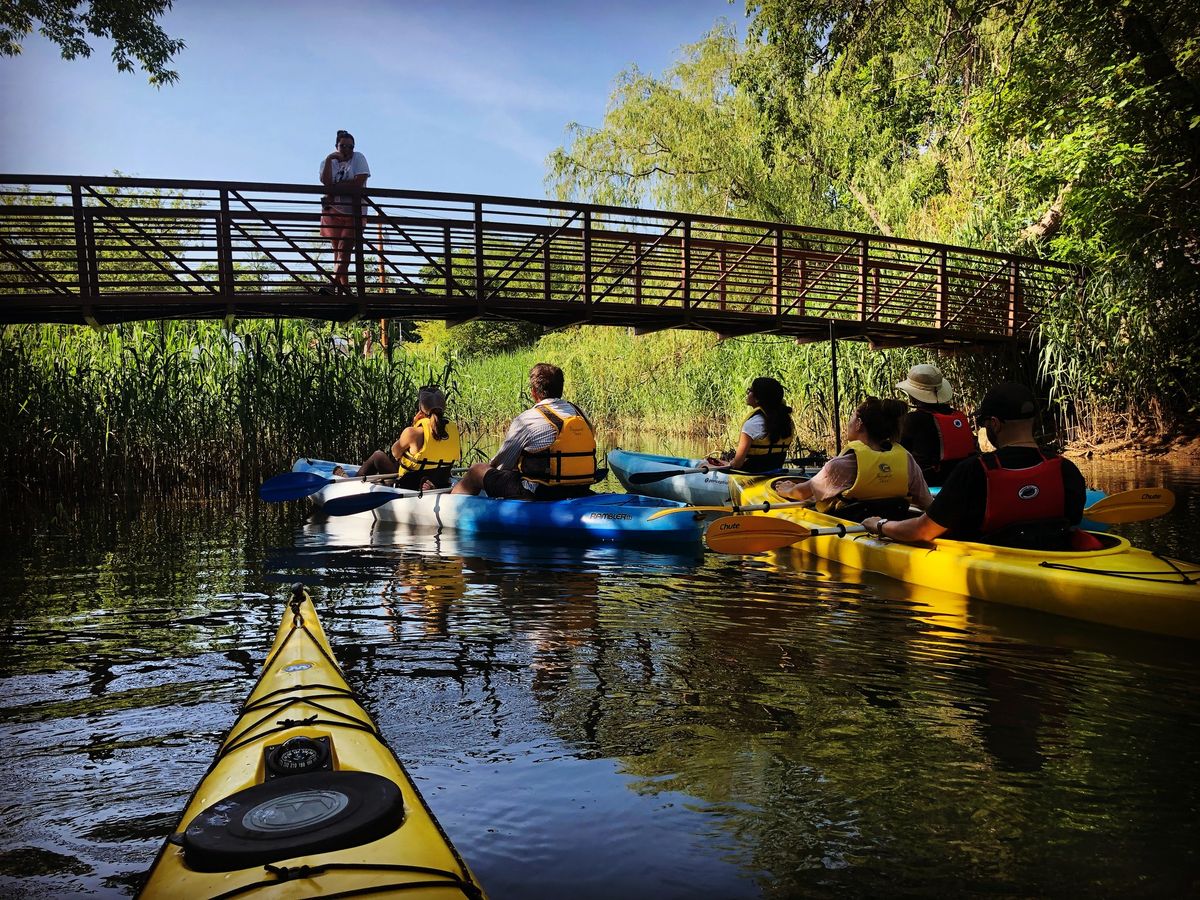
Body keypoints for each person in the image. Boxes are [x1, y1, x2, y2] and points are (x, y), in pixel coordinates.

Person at [862, 383, 1087, 549]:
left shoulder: (974, 471)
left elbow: (921, 531)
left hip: (991, 563)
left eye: (984, 423)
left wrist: (879, 524)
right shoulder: (1066, 469)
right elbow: (1071, 527)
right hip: (1051, 557)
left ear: (995, 424)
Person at [452, 363, 601, 501]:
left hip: (541, 492)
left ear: (534, 392)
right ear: (560, 388)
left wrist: (489, 469)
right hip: (580, 488)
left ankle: (450, 503)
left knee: (476, 470)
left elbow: (502, 465)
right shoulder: (581, 414)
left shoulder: (527, 419)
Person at [774, 397, 933, 520]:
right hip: (892, 527)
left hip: (851, 531)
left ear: (858, 423)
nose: (848, 422)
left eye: (851, 417)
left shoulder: (841, 465)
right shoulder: (906, 459)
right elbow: (927, 503)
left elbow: (803, 493)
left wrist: (786, 489)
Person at [353, 386, 460, 490]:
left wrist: (414, 425)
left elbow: (395, 453)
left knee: (378, 456)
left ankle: (352, 485)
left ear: (421, 409)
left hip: (409, 485)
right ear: (443, 408)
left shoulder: (412, 432)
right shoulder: (454, 429)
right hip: (439, 482)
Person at [895, 363, 977, 486]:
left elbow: (896, 449)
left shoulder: (912, 420)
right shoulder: (958, 416)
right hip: (961, 479)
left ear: (913, 397)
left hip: (928, 482)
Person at [706, 376, 796, 473]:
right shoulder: (786, 421)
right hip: (774, 472)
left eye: (749, 391)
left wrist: (729, 463)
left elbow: (737, 464)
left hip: (749, 475)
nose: (747, 393)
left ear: (757, 398)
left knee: (703, 464)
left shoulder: (752, 424)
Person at [319, 129, 370, 294]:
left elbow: (358, 182)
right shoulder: (328, 161)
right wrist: (329, 159)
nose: (347, 150)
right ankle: (345, 289)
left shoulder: (359, 158)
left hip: (354, 213)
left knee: (344, 249)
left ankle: (332, 285)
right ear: (336, 146)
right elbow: (325, 182)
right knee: (338, 252)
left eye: (350, 146)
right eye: (343, 146)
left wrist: (333, 189)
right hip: (333, 211)